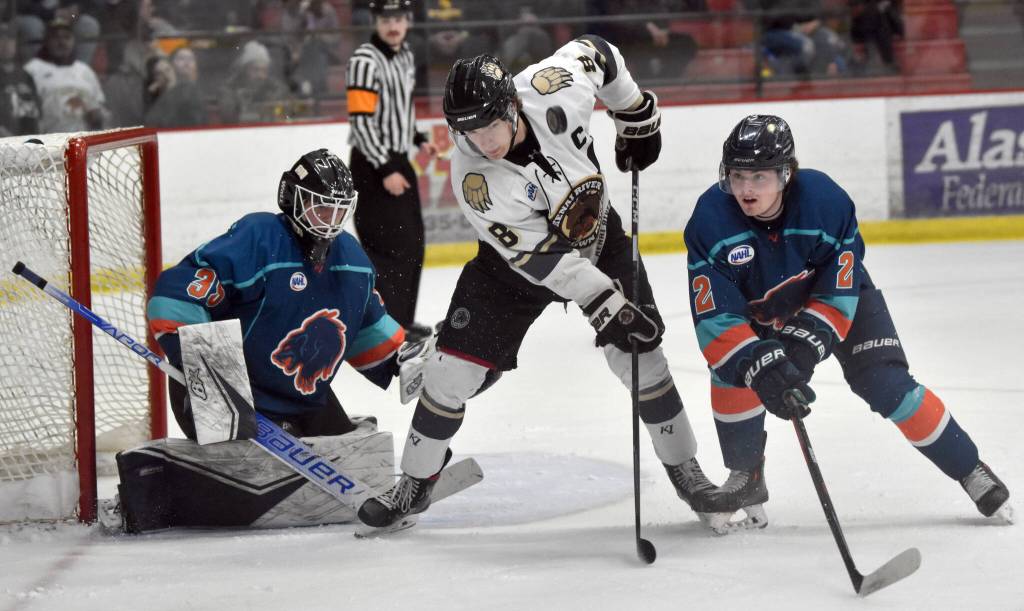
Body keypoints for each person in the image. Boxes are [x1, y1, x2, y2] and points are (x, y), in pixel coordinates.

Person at [357, 40, 725, 529]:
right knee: (450, 374)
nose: (482, 141)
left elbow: (601, 52)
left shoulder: (556, 85)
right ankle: (415, 483)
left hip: (600, 238)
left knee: (642, 357)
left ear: (511, 104)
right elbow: (545, 259)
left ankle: (687, 471)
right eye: (466, 131)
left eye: (489, 125)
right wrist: (606, 303)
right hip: (512, 270)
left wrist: (632, 111)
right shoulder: (474, 178)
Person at [682, 114, 1013, 529]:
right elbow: (716, 317)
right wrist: (760, 365)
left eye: (760, 176)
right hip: (762, 308)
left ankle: (969, 468)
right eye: (737, 175)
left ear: (786, 174)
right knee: (732, 371)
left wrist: (804, 349)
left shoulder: (826, 201)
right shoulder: (710, 220)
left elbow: (839, 290)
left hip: (835, 301)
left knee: (887, 384)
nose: (746, 189)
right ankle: (745, 475)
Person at [147, 149, 406, 441]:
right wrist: (207, 366)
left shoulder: (353, 260)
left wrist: (404, 362)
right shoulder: (260, 238)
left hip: (299, 396)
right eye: (321, 208)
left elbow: (366, 330)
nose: (330, 220)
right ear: (293, 198)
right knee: (287, 469)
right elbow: (175, 297)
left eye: (339, 210)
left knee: (346, 457)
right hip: (230, 394)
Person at [346, 0, 438, 342]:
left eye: (398, 18)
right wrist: (384, 168)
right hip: (374, 164)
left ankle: (400, 321)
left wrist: (418, 138)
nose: (393, 25)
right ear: (375, 21)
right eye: (386, 19)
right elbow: (362, 121)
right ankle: (383, 329)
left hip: (398, 159)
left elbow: (400, 108)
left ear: (408, 21)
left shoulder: (405, 56)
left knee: (412, 243)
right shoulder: (364, 61)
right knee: (387, 247)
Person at [23, 17, 106, 132]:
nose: (62, 42)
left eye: (67, 37)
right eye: (56, 37)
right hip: (49, 141)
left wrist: (96, 116)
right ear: (46, 41)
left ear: (73, 41)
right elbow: (26, 115)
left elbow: (97, 110)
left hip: (84, 141)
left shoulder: (85, 70)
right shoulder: (32, 69)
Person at [0, 21, 41, 136]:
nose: (5, 44)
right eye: (1, 38)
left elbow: (36, 113)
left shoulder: (25, 75)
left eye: (10, 39)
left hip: (26, 143)